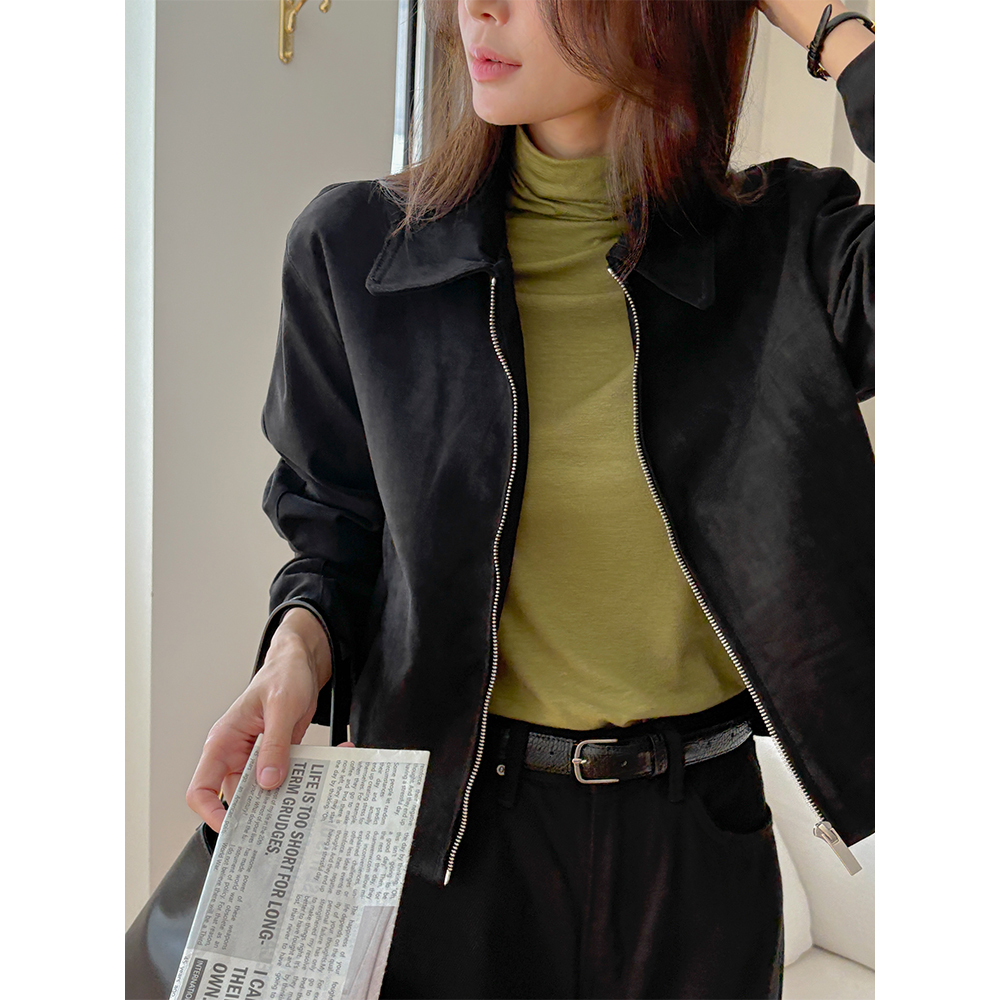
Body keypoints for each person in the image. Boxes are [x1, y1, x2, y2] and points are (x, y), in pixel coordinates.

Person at [187, 2, 874, 997]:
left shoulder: (788, 249)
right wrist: (297, 649)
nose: (478, 8)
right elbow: (334, 536)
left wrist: (830, 23)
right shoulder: (354, 251)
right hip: (453, 851)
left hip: (698, 857)